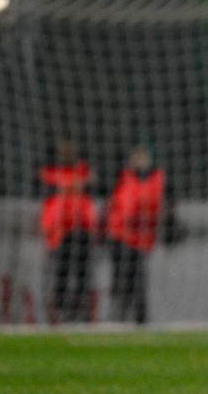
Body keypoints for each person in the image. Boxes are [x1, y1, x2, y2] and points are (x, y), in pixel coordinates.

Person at [105, 144, 171, 324]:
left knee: (138, 278)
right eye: (136, 157)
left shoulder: (157, 178)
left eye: (142, 156)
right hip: (120, 236)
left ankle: (139, 318)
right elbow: (115, 205)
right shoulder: (123, 178)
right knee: (121, 277)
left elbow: (158, 205)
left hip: (141, 239)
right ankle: (119, 314)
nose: (139, 160)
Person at [40, 139, 96, 322]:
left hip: (82, 229)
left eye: (69, 148)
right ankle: (60, 311)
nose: (66, 152)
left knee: (82, 273)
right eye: (63, 148)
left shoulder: (83, 170)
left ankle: (82, 310)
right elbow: (45, 187)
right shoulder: (50, 172)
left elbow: (92, 184)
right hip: (60, 231)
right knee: (62, 273)